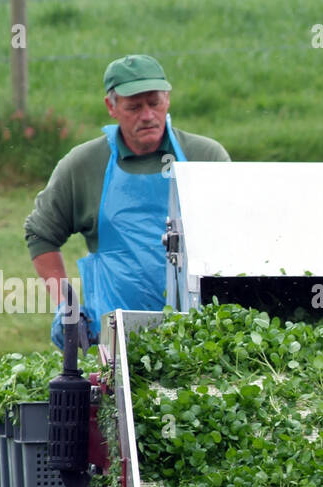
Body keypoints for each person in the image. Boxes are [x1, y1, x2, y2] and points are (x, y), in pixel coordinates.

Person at [25, 54, 230, 348]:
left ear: (168, 100)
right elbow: (40, 234)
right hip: (116, 343)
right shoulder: (84, 165)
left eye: (155, 103)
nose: (147, 115)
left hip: (204, 339)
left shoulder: (207, 158)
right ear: (111, 107)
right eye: (134, 107)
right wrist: (66, 307)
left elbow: (236, 237)